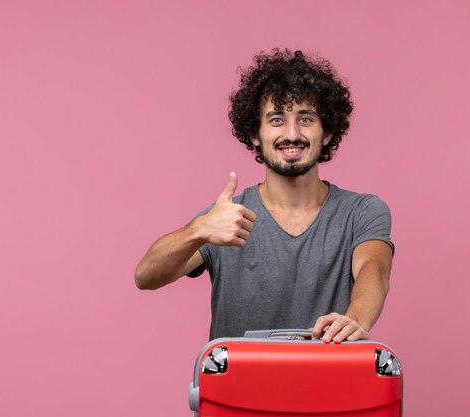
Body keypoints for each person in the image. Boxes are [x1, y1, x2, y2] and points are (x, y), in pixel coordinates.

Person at [135, 49, 394, 343]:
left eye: (306, 119)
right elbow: (146, 276)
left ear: (328, 133)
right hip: (237, 387)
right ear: (255, 134)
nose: (292, 133)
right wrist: (198, 230)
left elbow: (375, 270)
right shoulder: (226, 218)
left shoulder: (361, 211)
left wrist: (355, 320)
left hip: (330, 384)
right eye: (276, 120)